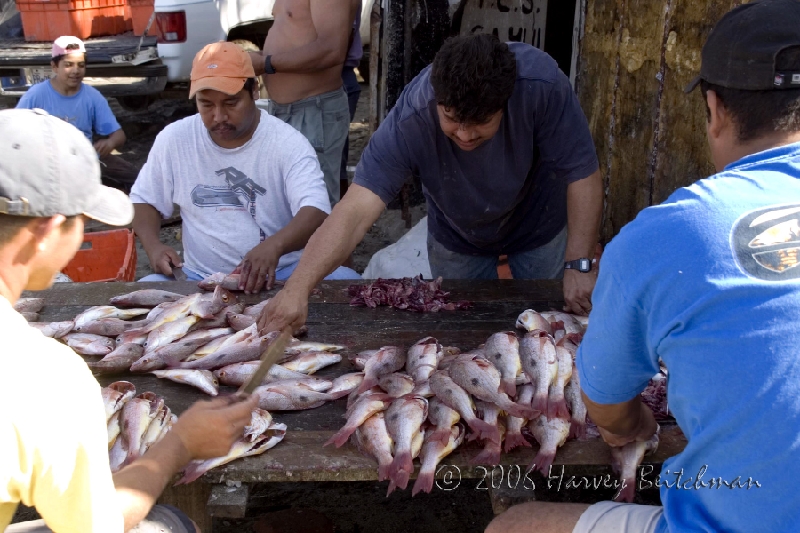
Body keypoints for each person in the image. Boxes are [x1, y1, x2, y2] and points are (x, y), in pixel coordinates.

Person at [485, 1, 800, 532]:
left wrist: (630, 424)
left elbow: (606, 403)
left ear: (715, 108)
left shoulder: (666, 231)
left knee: (510, 526)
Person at [0, 108, 259, 533]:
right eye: (80, 221)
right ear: (46, 232)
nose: (82, 234)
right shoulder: (41, 374)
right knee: (166, 525)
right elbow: (98, 526)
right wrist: (181, 444)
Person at [258, 33, 602, 333]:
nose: (465, 135)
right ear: (437, 101)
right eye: (452, 120)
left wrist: (579, 264)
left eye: (481, 122)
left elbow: (582, 173)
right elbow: (354, 211)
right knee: (465, 330)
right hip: (457, 234)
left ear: (506, 102)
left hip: (538, 222)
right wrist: (296, 289)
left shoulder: (541, 86)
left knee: (549, 327)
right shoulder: (412, 116)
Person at [132, 42, 359, 294]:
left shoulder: (287, 142)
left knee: (348, 282)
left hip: (282, 273)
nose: (218, 116)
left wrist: (275, 246)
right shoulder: (174, 138)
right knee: (143, 292)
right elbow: (145, 201)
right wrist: (153, 247)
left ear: (254, 91)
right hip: (197, 277)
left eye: (231, 103)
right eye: (206, 104)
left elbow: (315, 211)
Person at [249, 0, 362, 205]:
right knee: (286, 203)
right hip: (286, 112)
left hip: (313, 111)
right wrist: (258, 58)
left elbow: (331, 50)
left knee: (314, 208)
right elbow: (296, 35)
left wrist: (266, 63)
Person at [16, 36, 139, 193]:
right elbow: (15, 131)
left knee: (138, 180)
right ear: (54, 66)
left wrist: (110, 143)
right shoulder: (36, 95)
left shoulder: (92, 96)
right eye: (68, 65)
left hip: (86, 159)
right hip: (47, 163)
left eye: (80, 65)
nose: (75, 71)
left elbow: (119, 135)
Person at [339, 4, 364, 196]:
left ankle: (336, 213)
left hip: (337, 77)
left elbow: (346, 29)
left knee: (333, 154)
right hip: (337, 77)